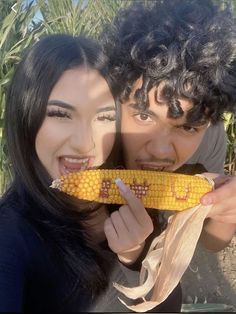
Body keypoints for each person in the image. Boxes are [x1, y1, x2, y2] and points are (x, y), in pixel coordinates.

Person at [0, 33, 159, 312]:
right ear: (26, 117)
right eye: (61, 114)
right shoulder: (10, 236)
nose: (86, 144)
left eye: (105, 117)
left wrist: (135, 258)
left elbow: (168, 305)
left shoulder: (131, 201)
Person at [101, 0, 236, 310]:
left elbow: (212, 242)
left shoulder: (211, 138)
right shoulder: (97, 137)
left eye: (187, 129)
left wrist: (226, 216)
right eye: (144, 116)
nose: (161, 151)